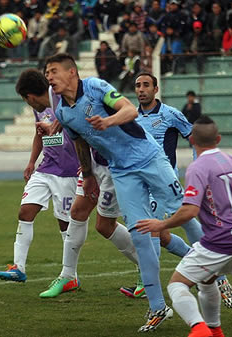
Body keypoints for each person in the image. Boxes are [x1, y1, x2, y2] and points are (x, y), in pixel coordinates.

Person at [40, 52, 184, 332]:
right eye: (46, 73)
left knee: (180, 219)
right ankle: (157, 308)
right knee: (142, 234)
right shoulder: (62, 111)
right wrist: (89, 174)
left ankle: (215, 273)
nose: (49, 76)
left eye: (53, 71)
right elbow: (78, 137)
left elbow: (128, 110)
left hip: (149, 159)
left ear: (72, 72)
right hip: (118, 170)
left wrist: (108, 122)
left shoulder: (96, 86)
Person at [13, 68, 141, 299]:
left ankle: (173, 268)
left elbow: (85, 128)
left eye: (54, 73)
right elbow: (65, 129)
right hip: (88, 167)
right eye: (49, 75)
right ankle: (67, 276)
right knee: (78, 214)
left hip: (110, 166)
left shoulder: (84, 93)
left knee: (145, 228)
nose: (52, 80)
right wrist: (50, 133)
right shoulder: (56, 105)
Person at [137, 115, 232, 337]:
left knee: (176, 285)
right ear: (218, 138)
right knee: (207, 281)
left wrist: (162, 223)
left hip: (221, 240)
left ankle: (199, 329)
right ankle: (215, 330)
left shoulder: (198, 167)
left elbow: (190, 211)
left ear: (192, 141)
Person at [120, 73, 232, 309]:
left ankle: (215, 279)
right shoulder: (130, 117)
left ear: (156, 89)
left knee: (154, 232)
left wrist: (199, 169)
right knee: (160, 236)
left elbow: (194, 138)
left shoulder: (170, 114)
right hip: (143, 187)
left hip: (165, 183)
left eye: (146, 85)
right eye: (137, 86)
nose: (141, 89)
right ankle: (211, 274)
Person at [0, 69, 79, 282]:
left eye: (26, 100)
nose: (29, 105)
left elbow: (70, 140)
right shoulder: (40, 109)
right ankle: (19, 268)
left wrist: (54, 134)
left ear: (30, 96)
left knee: (65, 225)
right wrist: (32, 161)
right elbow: (43, 136)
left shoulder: (63, 101)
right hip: (45, 169)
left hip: (69, 173)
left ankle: (70, 275)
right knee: (25, 212)